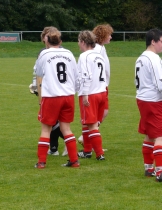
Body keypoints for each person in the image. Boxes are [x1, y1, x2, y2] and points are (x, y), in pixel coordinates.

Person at [135, 29, 162, 182]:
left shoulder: (140, 58)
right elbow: (161, 83)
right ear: (153, 42)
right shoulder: (153, 58)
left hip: (142, 99)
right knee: (160, 136)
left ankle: (149, 168)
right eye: (161, 41)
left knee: (149, 135)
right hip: (154, 101)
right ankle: (160, 172)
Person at [34, 26, 80, 168]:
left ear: (46, 39)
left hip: (52, 96)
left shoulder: (44, 54)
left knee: (45, 129)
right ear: (60, 40)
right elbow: (76, 75)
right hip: (68, 95)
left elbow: (39, 74)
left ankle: (41, 162)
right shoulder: (69, 53)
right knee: (66, 128)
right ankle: (74, 160)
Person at [29, 26, 67, 157]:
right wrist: (34, 85)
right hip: (46, 89)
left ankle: (65, 143)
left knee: (52, 121)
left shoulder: (59, 52)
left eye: (49, 35)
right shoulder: (42, 52)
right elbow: (37, 72)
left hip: (54, 92)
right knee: (52, 121)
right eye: (46, 35)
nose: (47, 37)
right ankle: (54, 148)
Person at [78, 24, 113, 152]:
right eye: (109, 34)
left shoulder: (101, 48)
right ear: (103, 35)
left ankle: (90, 138)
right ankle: (90, 140)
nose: (110, 36)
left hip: (102, 87)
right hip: (97, 88)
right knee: (98, 115)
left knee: (102, 113)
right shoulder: (96, 49)